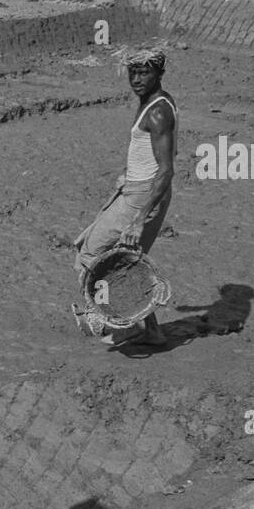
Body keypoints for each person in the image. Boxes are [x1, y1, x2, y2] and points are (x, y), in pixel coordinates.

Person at [73, 46, 177, 349]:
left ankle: (108, 320)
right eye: (133, 73)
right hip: (136, 190)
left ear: (159, 73)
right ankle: (151, 330)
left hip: (143, 195)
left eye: (144, 73)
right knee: (128, 262)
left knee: (91, 254)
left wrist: (138, 220)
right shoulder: (154, 102)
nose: (137, 79)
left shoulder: (157, 112)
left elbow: (166, 170)